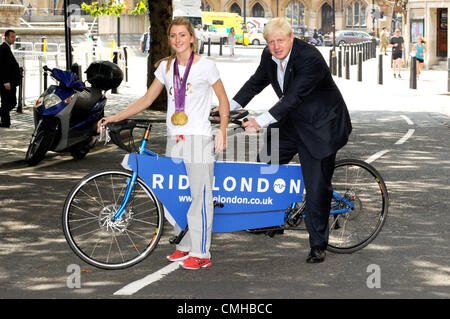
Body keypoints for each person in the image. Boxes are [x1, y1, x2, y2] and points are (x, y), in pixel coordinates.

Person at [98, 17, 230, 270]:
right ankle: (185, 245)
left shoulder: (206, 66)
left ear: (192, 38)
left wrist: (222, 131)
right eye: (173, 36)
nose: (177, 40)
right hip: (175, 139)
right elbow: (147, 99)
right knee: (178, 195)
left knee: (200, 196)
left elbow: (223, 100)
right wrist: (114, 116)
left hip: (198, 138)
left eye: (182, 35)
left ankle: (202, 252)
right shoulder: (165, 68)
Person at [229, 18, 352, 264]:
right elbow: (255, 83)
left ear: (292, 37)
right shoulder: (269, 55)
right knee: (265, 165)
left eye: (280, 40)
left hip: (320, 126)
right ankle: (270, 221)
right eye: (271, 42)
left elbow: (292, 98)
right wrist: (226, 108)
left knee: (316, 187)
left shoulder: (310, 58)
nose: (276, 46)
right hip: (291, 122)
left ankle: (318, 245)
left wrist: (258, 122)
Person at [0, 30, 21, 128]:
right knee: (12, 102)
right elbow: (3, 67)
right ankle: (5, 121)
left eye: (14, 37)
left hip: (9, 81)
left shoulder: (6, 48)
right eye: (12, 37)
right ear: (6, 37)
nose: (14, 39)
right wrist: (6, 82)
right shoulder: (3, 48)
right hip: (7, 82)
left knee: (6, 102)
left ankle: (5, 122)